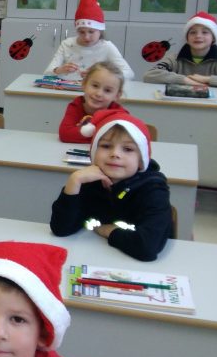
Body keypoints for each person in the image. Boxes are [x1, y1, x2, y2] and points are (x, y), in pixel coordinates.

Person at [50, 110, 173, 261]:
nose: (115, 154)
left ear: (141, 161)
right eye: (106, 146)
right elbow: (61, 229)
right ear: (93, 153)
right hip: (97, 258)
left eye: (127, 149)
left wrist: (109, 231)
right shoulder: (89, 182)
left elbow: (148, 247)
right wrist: (74, 182)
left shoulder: (153, 190)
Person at [143, 11, 217, 89]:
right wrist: (185, 80)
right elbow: (149, 75)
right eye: (193, 32)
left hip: (211, 107)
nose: (198, 36)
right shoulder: (174, 59)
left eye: (205, 32)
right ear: (187, 38)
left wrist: (207, 79)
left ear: (213, 38)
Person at [45, 0, 134, 81]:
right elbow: (47, 73)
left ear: (100, 31)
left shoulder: (107, 47)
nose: (86, 37)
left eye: (91, 32)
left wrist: (101, 74)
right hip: (66, 87)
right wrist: (59, 70)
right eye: (81, 32)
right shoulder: (66, 44)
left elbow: (129, 73)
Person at [58, 61, 128, 143]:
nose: (99, 94)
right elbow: (65, 134)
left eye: (107, 90)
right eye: (95, 86)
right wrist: (103, 135)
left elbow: (121, 137)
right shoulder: (76, 105)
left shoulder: (118, 113)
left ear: (117, 95)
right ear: (84, 84)